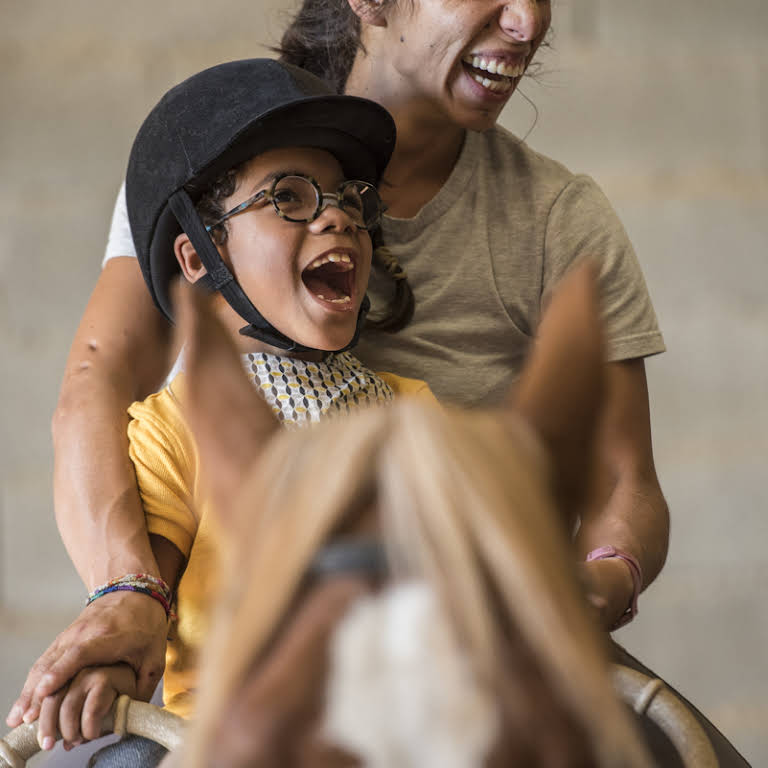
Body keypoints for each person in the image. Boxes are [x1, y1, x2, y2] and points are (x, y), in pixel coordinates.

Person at [6, 0, 747, 764]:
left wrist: (584, 582)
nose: (527, 18)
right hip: (240, 685)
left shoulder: (456, 358)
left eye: (351, 204)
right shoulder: (202, 162)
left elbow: (621, 481)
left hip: (465, 647)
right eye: (290, 200)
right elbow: (93, 385)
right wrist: (131, 597)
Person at [22, 57, 434, 763]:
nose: (337, 213)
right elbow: (145, 603)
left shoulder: (418, 415)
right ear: (198, 256)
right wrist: (108, 664)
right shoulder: (169, 430)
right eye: (290, 198)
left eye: (347, 199)